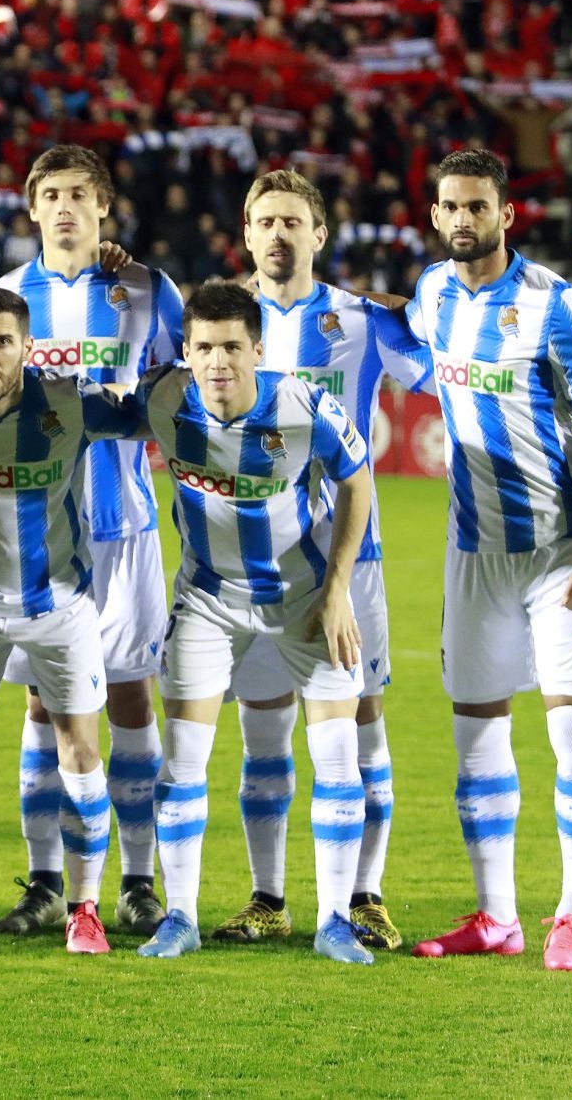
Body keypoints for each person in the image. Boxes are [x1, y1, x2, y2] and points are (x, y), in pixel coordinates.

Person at [402, 149, 572, 972]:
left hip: (562, 553)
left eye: (478, 207)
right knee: (476, 739)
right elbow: (390, 313)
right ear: (435, 215)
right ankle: (497, 916)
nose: (464, 220)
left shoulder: (555, 304)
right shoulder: (430, 293)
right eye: (450, 207)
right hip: (476, 554)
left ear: (507, 215)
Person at [123, 281, 377, 965]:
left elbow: (357, 480)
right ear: (187, 350)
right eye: (202, 347)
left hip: (301, 599)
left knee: (336, 757)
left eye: (232, 346)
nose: (217, 361)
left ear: (257, 349)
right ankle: (179, 917)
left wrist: (338, 587)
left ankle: (332, 920)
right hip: (207, 599)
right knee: (182, 762)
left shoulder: (302, 406)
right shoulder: (162, 399)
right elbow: (81, 414)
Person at [214, 171, 430, 953]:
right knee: (261, 731)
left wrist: (427, 307)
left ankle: (365, 895)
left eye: (293, 221)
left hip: (349, 560)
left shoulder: (362, 320)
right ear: (245, 231)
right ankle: (268, 897)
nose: (278, 234)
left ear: (319, 235)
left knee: (362, 723)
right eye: (265, 220)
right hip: (251, 564)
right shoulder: (219, 323)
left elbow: (441, 371)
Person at [0, 288, 144, 956]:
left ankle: (85, 909)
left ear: (27, 347)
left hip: (60, 606)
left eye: (2, 341)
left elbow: (152, 415)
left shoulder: (68, 399)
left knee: (81, 752)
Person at [0, 144, 184, 938]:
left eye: (80, 193)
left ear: (104, 207)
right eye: (51, 195)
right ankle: (43, 881)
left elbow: (180, 384)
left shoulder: (144, 289)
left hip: (126, 528)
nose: (65, 207)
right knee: (43, 705)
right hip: (37, 535)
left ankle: (138, 880)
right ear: (31, 208)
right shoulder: (4, 299)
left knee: (134, 696)